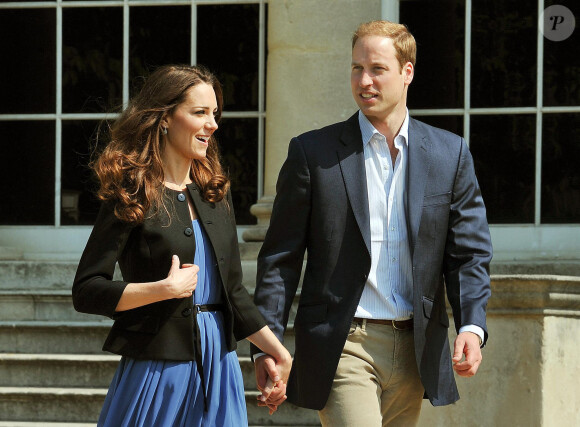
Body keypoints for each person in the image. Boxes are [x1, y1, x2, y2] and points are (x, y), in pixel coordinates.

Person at [251, 20, 493, 426]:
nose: (364, 81)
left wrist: (472, 324)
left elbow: (468, 252)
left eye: (377, 69)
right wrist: (267, 344)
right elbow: (281, 256)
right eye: (356, 68)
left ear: (407, 71)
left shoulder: (449, 154)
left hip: (417, 346)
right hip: (344, 344)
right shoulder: (313, 153)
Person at [72, 64, 291, 426]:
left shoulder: (214, 193)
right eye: (200, 113)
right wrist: (161, 290)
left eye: (215, 114)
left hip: (219, 367)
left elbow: (234, 293)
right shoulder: (130, 194)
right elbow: (86, 290)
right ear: (164, 119)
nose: (213, 125)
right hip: (157, 370)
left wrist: (275, 351)